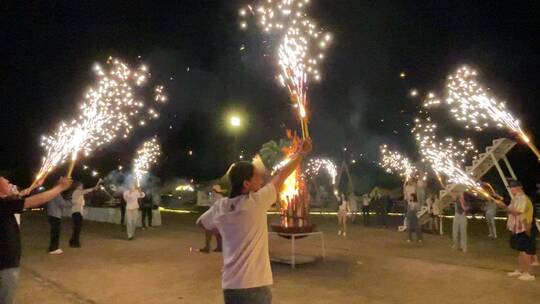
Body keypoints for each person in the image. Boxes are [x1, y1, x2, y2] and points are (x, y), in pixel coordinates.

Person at [197, 138, 311, 304]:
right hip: (255, 286)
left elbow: (201, 222)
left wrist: (220, 234)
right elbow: (281, 176)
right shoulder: (255, 202)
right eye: (257, 177)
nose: (262, 180)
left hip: (230, 287)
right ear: (246, 184)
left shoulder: (221, 207)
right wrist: (301, 153)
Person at [1, 176, 72, 304]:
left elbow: (21, 195)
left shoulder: (6, 203)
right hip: (4, 264)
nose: (8, 182)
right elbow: (34, 201)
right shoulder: (3, 204)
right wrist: (60, 187)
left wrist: (34, 186)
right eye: (4, 180)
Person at [493, 180, 536, 281]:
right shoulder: (516, 198)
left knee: (526, 251)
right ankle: (521, 270)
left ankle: (528, 273)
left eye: (513, 187)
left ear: (519, 187)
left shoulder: (523, 198)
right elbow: (510, 210)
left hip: (523, 228)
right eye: (511, 187)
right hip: (517, 228)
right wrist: (503, 205)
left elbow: (516, 212)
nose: (511, 189)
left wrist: (503, 206)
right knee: (521, 250)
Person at [69, 179, 101, 248]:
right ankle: (75, 242)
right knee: (77, 228)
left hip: (77, 212)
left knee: (76, 228)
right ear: (78, 186)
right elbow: (86, 191)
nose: (82, 187)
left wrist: (93, 188)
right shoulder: (77, 192)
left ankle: (72, 241)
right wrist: (93, 188)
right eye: (81, 186)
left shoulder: (78, 193)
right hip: (76, 212)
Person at [200, 185, 225, 253]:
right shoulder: (221, 197)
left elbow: (212, 208)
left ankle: (207, 247)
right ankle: (219, 247)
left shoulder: (214, 197)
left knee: (208, 232)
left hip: (213, 218)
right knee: (218, 233)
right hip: (220, 218)